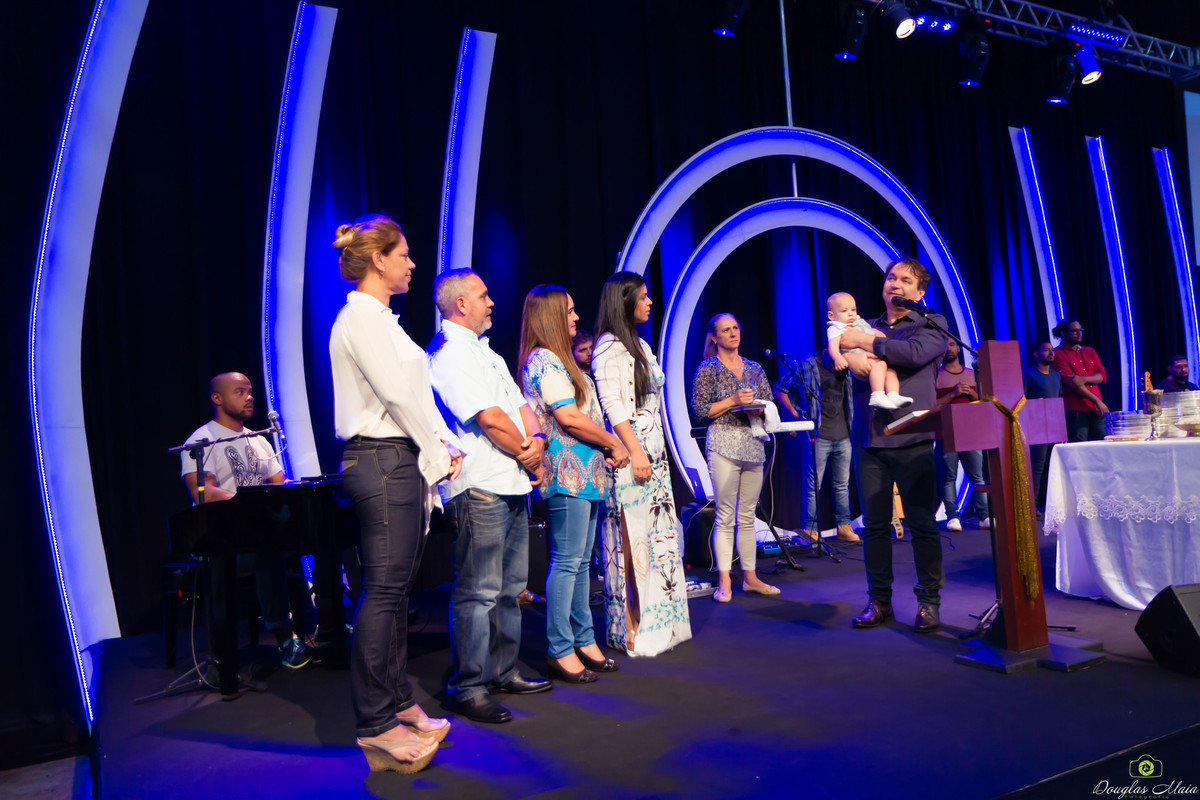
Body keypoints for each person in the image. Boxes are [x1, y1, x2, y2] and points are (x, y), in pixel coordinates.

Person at [329, 215, 461, 773]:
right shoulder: (359, 318)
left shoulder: (384, 320)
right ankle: (376, 724)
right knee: (383, 592)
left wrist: (444, 442)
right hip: (381, 459)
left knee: (397, 591)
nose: (412, 263)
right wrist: (437, 453)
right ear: (378, 259)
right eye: (403, 254)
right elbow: (396, 398)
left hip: (398, 458)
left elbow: (416, 394)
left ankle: (399, 701)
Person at [427, 268, 551, 724]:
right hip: (480, 485)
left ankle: (502, 671)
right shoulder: (447, 352)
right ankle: (469, 686)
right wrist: (530, 456)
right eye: (483, 295)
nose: (491, 302)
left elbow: (520, 407)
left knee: (509, 589)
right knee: (477, 591)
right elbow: (490, 418)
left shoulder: (485, 350)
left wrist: (538, 442)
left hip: (511, 480)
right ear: (461, 304)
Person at [520, 285, 630, 683]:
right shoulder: (544, 360)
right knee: (567, 561)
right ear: (550, 316)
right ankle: (559, 648)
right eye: (568, 311)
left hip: (586, 473)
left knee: (582, 562)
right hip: (566, 473)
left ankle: (584, 640)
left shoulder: (562, 361)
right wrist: (613, 442)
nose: (576, 317)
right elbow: (568, 418)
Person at [835, 258, 948, 634]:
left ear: (920, 291)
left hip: (913, 437)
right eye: (890, 277)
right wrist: (850, 352)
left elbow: (912, 354)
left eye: (905, 280)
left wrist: (865, 344)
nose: (895, 284)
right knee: (875, 527)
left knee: (922, 524)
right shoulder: (864, 323)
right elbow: (838, 354)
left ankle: (928, 601)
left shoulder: (931, 323)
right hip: (870, 439)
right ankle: (879, 600)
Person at [180, 372, 313, 670]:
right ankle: (285, 640)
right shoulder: (201, 441)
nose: (250, 397)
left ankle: (325, 624)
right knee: (267, 550)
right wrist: (249, 501)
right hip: (220, 541)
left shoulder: (259, 440)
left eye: (250, 391)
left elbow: (279, 483)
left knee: (323, 534)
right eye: (240, 392)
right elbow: (204, 492)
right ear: (217, 398)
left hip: (260, 532)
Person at [592, 272, 692, 656]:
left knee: (657, 537)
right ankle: (631, 622)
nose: (650, 303)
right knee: (633, 537)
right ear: (625, 301)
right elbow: (613, 406)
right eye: (644, 296)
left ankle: (661, 619)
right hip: (632, 451)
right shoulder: (607, 347)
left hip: (654, 451)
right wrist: (634, 451)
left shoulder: (641, 344)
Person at [690, 313, 781, 602]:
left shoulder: (754, 367)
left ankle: (751, 577)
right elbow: (700, 410)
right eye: (726, 330)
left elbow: (769, 402)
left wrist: (759, 408)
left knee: (747, 515)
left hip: (753, 445)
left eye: (735, 328)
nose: (733, 333)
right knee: (725, 515)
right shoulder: (708, 368)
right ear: (714, 337)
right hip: (723, 444)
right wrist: (733, 401)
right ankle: (725, 581)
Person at [773, 350, 859, 544]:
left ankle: (844, 527)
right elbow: (779, 387)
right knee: (813, 486)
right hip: (818, 436)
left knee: (841, 485)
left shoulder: (847, 369)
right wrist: (795, 413)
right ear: (828, 349)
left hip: (844, 436)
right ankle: (810, 528)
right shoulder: (806, 367)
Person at [935, 338, 991, 531]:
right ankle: (952, 517)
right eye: (945, 344)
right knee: (948, 477)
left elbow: (985, 403)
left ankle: (984, 516)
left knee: (977, 477)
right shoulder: (935, 376)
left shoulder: (972, 374)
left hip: (971, 433)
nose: (948, 348)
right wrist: (952, 394)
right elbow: (931, 406)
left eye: (952, 344)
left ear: (958, 348)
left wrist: (972, 395)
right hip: (946, 433)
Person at [827, 292, 911, 410]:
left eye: (853, 309)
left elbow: (867, 332)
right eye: (844, 311)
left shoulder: (859, 321)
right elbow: (832, 346)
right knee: (881, 365)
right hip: (860, 359)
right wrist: (838, 358)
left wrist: (875, 333)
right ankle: (877, 395)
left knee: (890, 371)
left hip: (873, 357)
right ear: (831, 316)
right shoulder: (836, 328)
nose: (850, 313)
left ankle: (893, 395)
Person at [1051, 318, 1107, 442]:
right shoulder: (1057, 354)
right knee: (1079, 445)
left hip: (1096, 408)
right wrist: (1097, 400)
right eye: (1074, 331)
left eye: (1080, 330)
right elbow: (1073, 384)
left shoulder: (1089, 351)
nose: (1079, 333)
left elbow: (1102, 375)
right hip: (1075, 408)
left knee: (1103, 442)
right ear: (1063, 333)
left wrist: (1083, 379)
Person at [1023, 341, 1062, 510]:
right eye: (1046, 350)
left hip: (1055, 424)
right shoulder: (1029, 375)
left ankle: (1054, 503)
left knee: (1054, 464)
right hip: (1037, 425)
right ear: (1036, 354)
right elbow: (1022, 400)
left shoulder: (1056, 375)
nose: (1051, 353)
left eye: (1052, 350)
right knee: (1037, 466)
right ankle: (1032, 505)